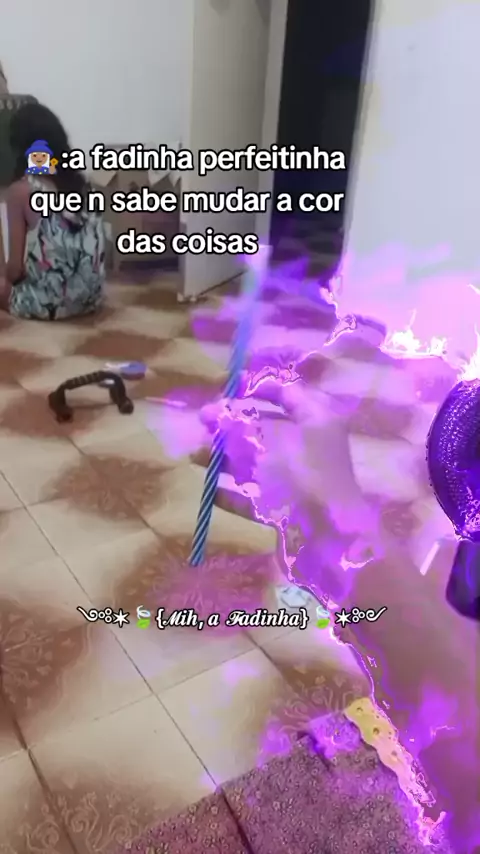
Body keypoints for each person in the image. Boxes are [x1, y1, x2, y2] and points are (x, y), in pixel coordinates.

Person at [0, 102, 104, 320]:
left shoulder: (20, 191)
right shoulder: (86, 185)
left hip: (48, 304)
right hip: (91, 299)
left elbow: (15, 270)